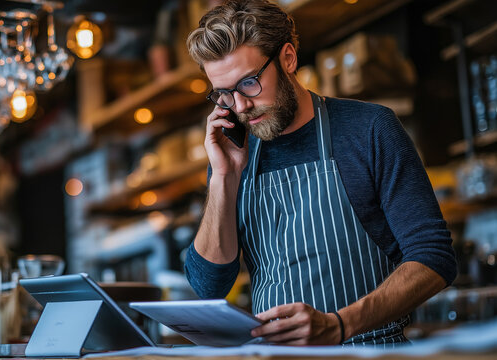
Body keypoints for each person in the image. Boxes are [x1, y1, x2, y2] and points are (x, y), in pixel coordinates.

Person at [183, 0, 456, 346]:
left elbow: (434, 257)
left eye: (249, 82)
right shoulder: (232, 152)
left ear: (288, 58)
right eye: (224, 93)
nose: (239, 106)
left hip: (371, 352)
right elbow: (209, 286)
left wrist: (339, 325)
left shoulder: (369, 128)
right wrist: (224, 177)